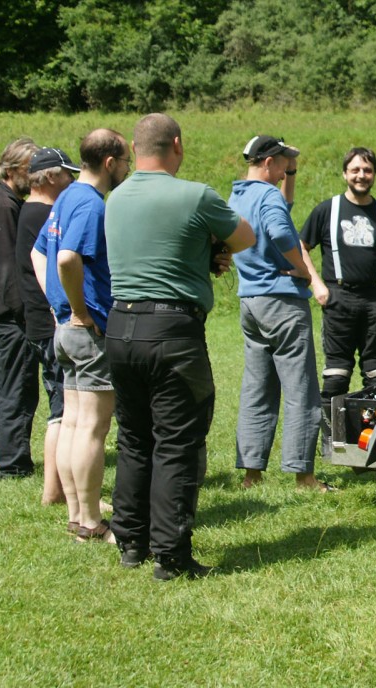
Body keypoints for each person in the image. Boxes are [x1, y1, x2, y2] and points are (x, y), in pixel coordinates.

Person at [105, 113, 255, 581]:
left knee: (133, 437)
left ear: (135, 146)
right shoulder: (195, 195)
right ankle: (171, 556)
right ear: (177, 145)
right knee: (177, 442)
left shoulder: (115, 197)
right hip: (172, 332)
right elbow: (246, 238)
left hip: (119, 327)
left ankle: (131, 541)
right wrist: (211, 240)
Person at [32, 129, 130, 543]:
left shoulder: (67, 195)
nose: (128, 167)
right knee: (92, 427)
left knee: (73, 424)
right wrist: (76, 309)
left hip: (65, 331)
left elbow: (40, 252)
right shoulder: (90, 204)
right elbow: (68, 257)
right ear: (110, 162)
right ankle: (90, 523)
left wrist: (57, 305)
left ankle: (78, 515)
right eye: (125, 160)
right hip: (87, 331)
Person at [230, 135, 330, 491]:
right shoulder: (268, 195)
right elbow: (281, 232)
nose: (287, 167)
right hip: (282, 302)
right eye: (284, 162)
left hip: (251, 302)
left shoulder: (239, 194)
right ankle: (304, 474)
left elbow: (280, 209)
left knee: (257, 388)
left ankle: (251, 474)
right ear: (269, 161)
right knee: (300, 387)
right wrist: (302, 269)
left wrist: (293, 170)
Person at [299, 146, 376, 435]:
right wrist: (318, 286)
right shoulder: (327, 210)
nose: (362, 175)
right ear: (345, 173)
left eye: (367, 170)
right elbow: (301, 248)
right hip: (339, 298)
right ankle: (333, 439)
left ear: (374, 174)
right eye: (356, 170)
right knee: (337, 374)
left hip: (375, 299)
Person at [16, 147, 79, 504]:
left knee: (62, 405)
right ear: (52, 176)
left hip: (39, 321)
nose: (72, 180)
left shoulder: (29, 211)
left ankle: (57, 490)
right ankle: (54, 491)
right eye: (67, 173)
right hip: (51, 321)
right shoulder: (44, 214)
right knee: (63, 410)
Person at [0, 137, 39, 480]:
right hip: (8, 313)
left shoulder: (4, 201)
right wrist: (25, 315)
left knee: (3, 383)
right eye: (31, 169)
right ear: (12, 169)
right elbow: (7, 269)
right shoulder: (3, 206)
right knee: (18, 386)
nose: (37, 176)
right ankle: (13, 465)